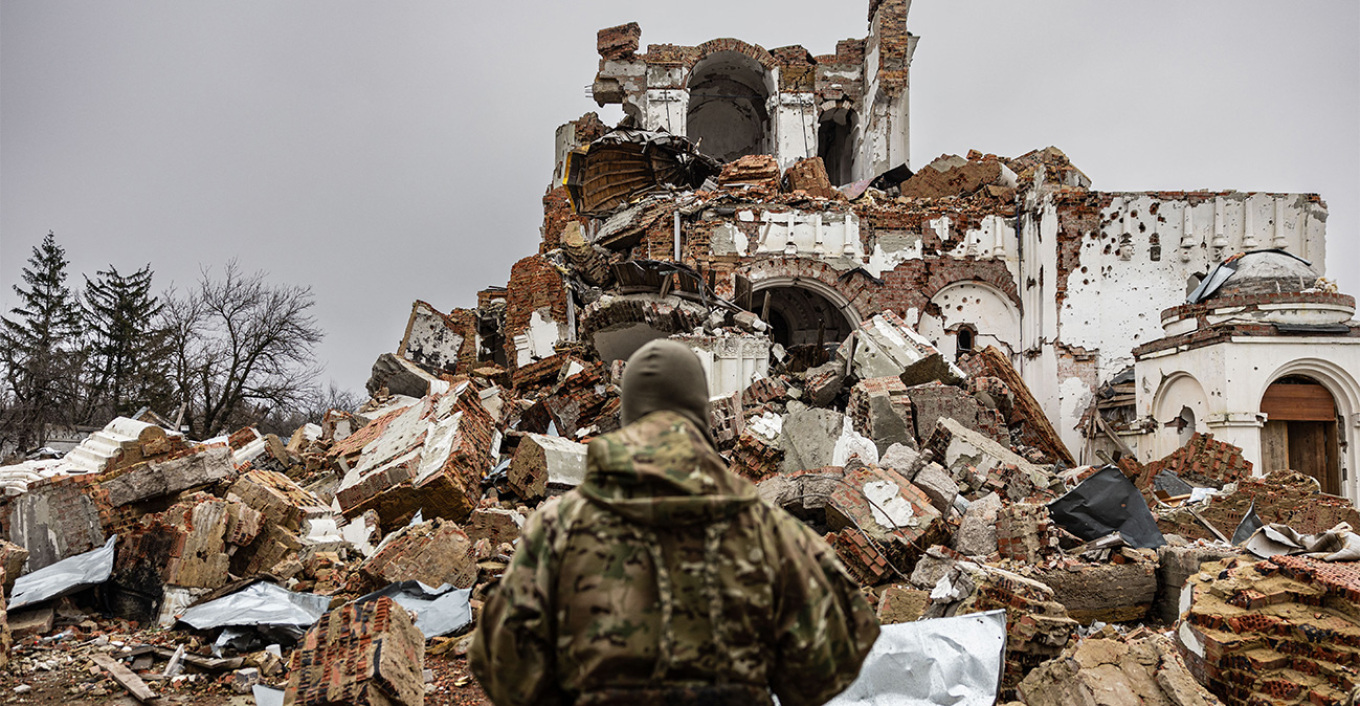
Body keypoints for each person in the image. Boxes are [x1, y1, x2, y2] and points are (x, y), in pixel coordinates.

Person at [471, 339, 879, 706]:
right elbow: (829, 665)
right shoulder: (767, 531)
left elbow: (504, 670)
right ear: (701, 415)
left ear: (628, 418)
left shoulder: (557, 530)